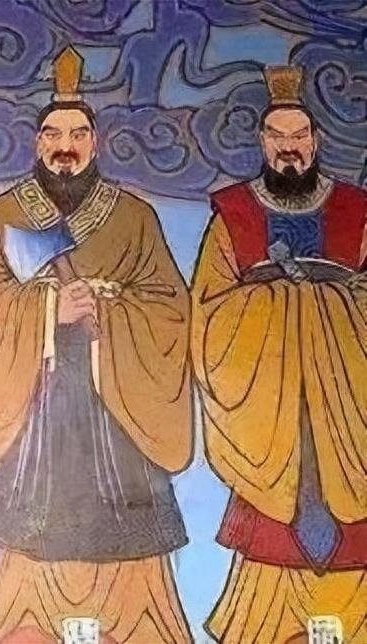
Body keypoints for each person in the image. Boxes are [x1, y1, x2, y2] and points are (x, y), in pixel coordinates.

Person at [0, 46, 193, 643]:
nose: (66, 146)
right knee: (33, 521)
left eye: (79, 134)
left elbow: (170, 304)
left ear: (95, 142)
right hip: (40, 397)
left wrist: (108, 308)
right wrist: (47, 309)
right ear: (38, 143)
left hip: (118, 398)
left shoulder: (133, 216)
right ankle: (24, 624)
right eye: (54, 134)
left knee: (130, 524)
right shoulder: (6, 214)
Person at [194, 66, 367, 642]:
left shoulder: (356, 210)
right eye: (277, 137)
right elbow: (209, 312)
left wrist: (322, 310)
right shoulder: (234, 215)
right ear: (262, 143)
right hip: (269, 413)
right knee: (271, 539)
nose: (289, 149)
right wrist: (282, 309)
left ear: (315, 142)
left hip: (348, 409)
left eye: (299, 137)